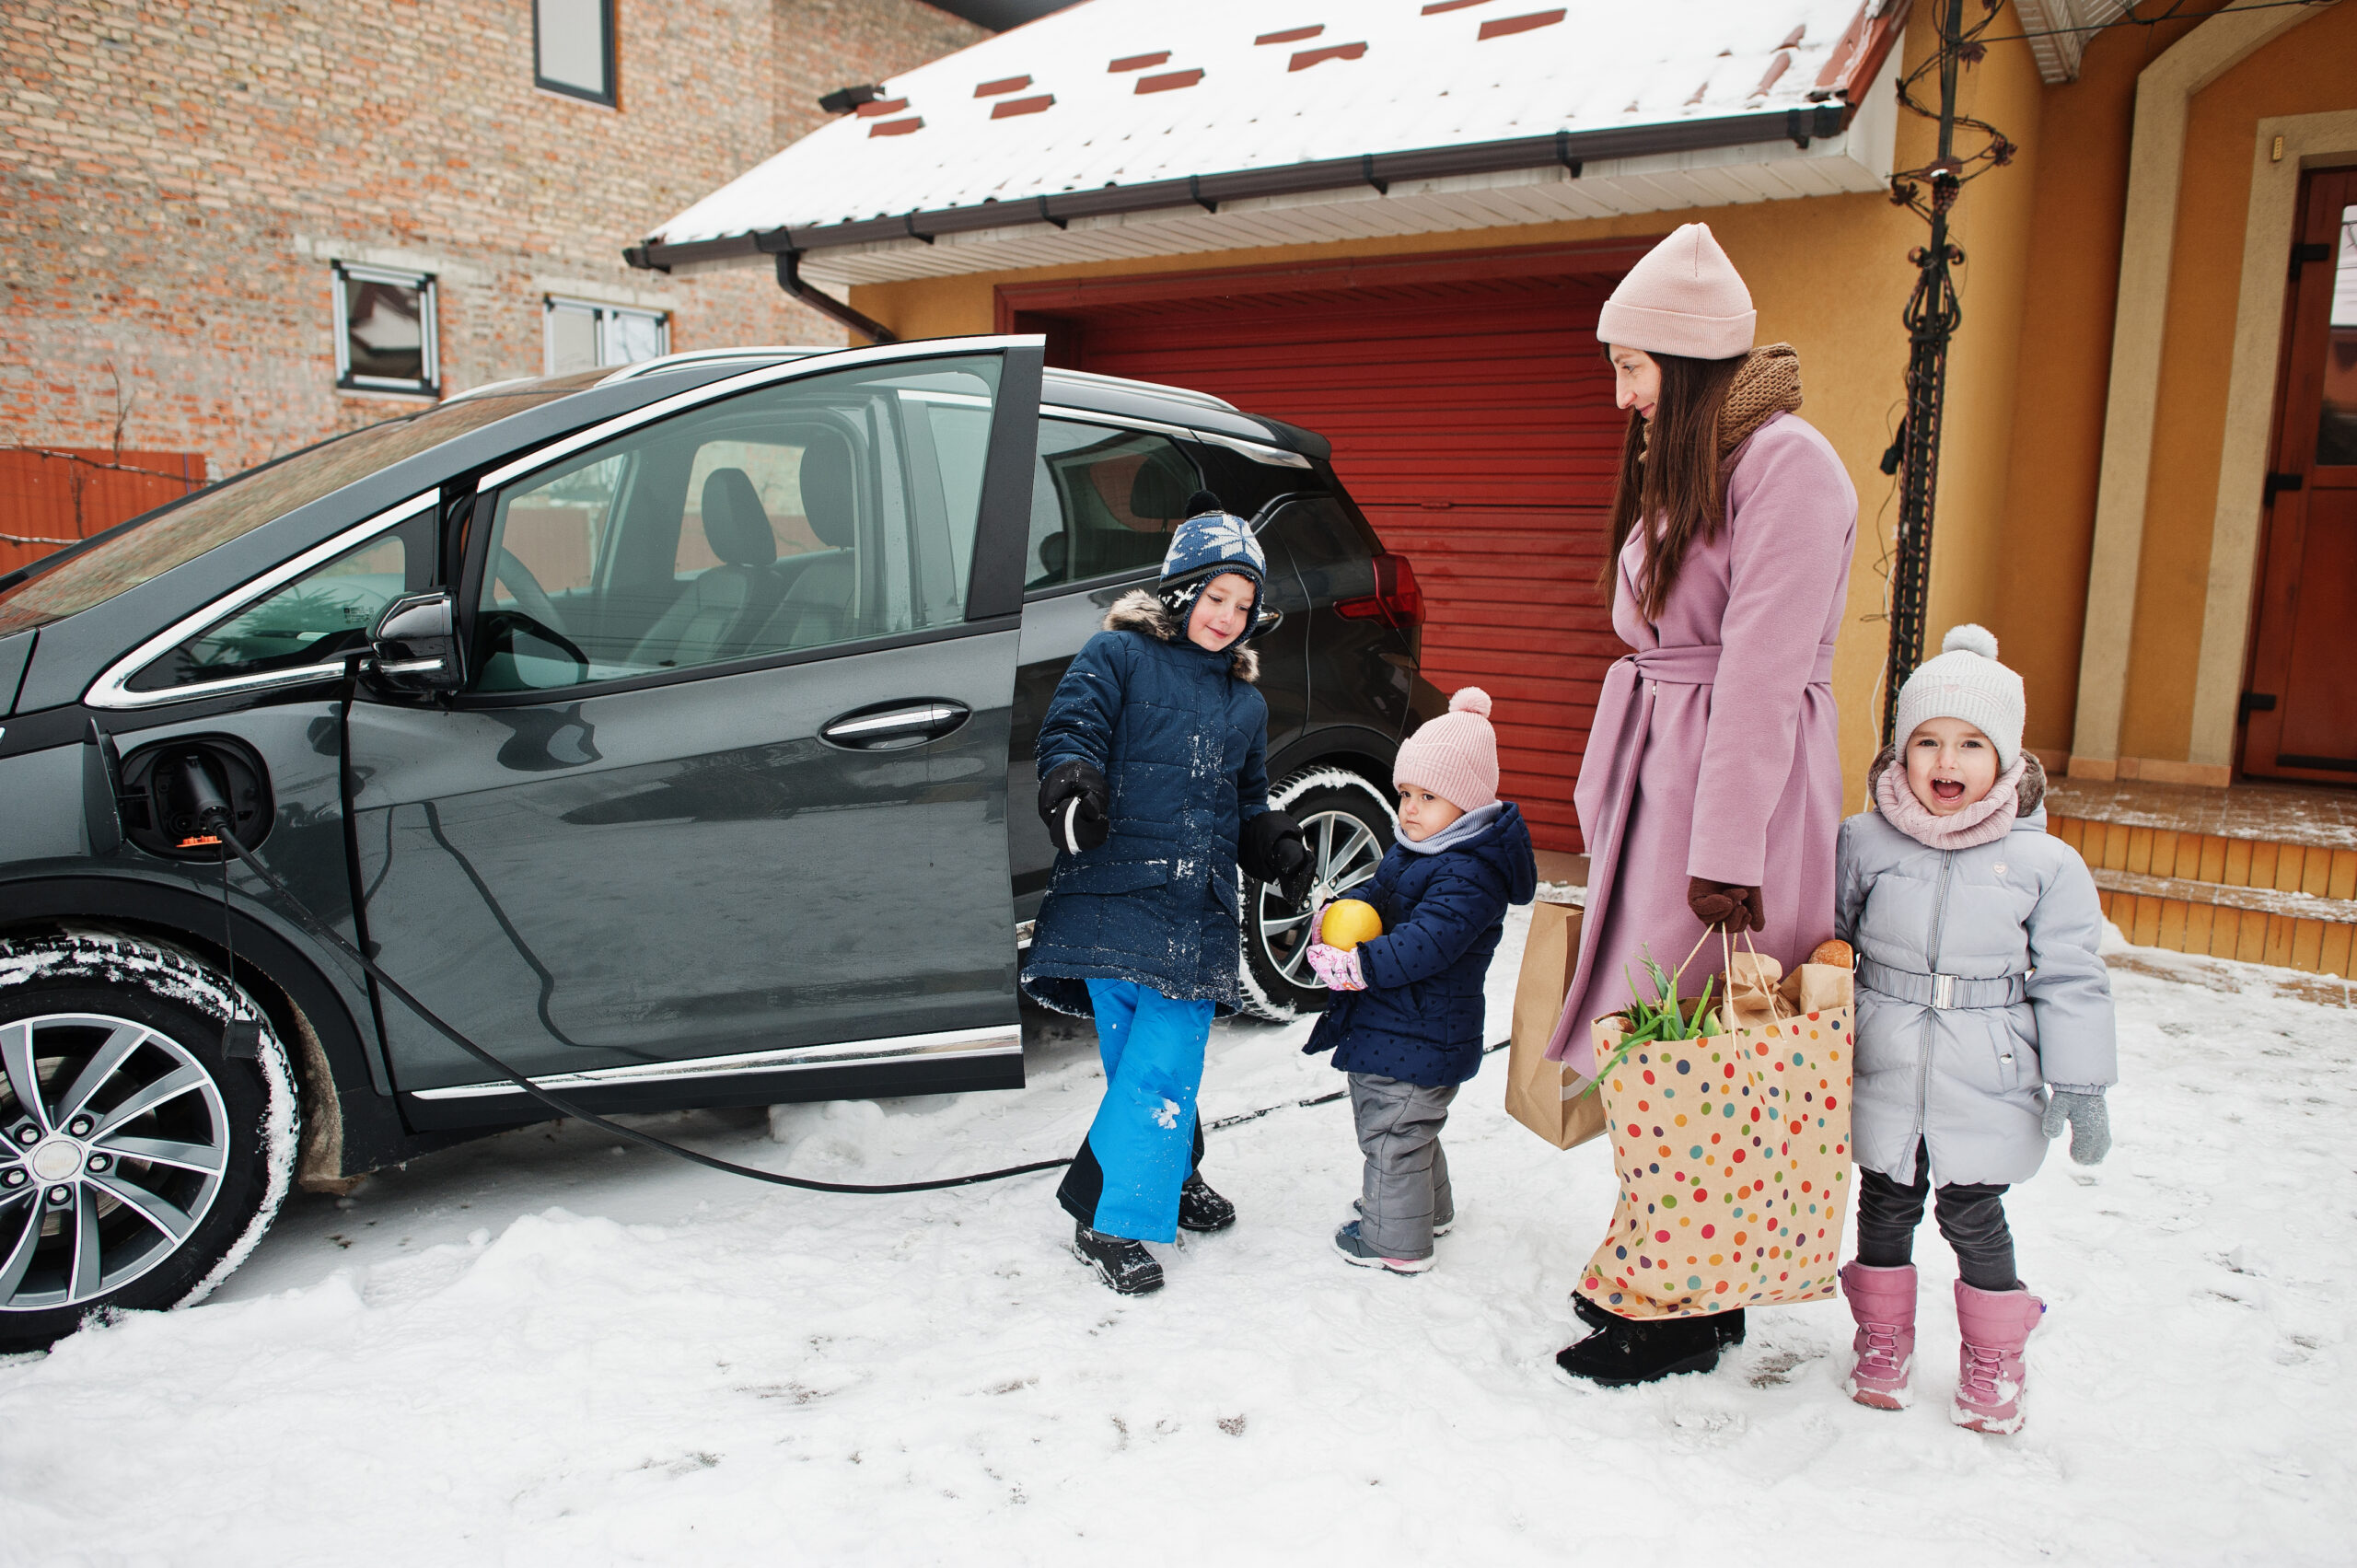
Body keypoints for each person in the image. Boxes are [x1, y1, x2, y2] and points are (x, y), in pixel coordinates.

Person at [1548, 222, 1859, 1386]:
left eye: (1631, 367)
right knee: (1655, 1038)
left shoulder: (1788, 465)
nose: (1620, 395)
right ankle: (1674, 1271)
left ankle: (1687, 1302)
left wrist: (1727, 851)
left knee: (1698, 1043)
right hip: (1669, 779)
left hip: (1730, 799)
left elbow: (1764, 674)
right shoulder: (1701, 456)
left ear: (1680, 360)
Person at [1024, 492, 1314, 1295]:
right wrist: (1073, 782)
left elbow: (1246, 802)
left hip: (1193, 910)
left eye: (1245, 606)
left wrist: (1276, 840)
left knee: (1165, 1055)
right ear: (1182, 589)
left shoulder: (1243, 702)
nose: (1229, 617)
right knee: (1143, 1062)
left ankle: (1106, 1214)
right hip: (1113, 891)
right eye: (1217, 596)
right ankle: (1172, 1170)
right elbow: (1072, 727)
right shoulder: (1116, 656)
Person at [1834, 625, 2116, 1435]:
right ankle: (1882, 1340)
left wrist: (2082, 1082)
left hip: (1986, 1069)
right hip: (1884, 1056)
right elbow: (1830, 940)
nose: (1946, 761)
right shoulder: (1865, 840)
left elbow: (2071, 977)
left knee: (1972, 1214)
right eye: (1926, 741)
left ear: (2007, 759)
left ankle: (1995, 1356)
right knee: (1884, 1203)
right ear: (1900, 751)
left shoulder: (2045, 864)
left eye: (1970, 743)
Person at [1298, 687, 1538, 1274]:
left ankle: (1395, 1242)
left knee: (1393, 1133)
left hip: (1421, 1029)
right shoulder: (1422, 849)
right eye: (1406, 793)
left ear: (1468, 802)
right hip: (1403, 1026)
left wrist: (1360, 965)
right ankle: (1424, 1210)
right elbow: (1378, 893)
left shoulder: (1470, 872)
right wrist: (1337, 913)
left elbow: (1428, 942)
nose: (1409, 808)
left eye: (1428, 796)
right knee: (1410, 1129)